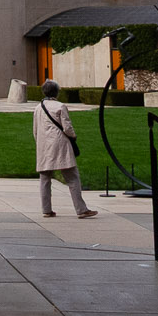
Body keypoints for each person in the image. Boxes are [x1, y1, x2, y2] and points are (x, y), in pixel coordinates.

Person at [33, 80, 99, 219]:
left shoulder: (39, 107)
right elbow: (67, 128)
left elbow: (35, 130)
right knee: (72, 177)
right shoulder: (60, 106)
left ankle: (46, 210)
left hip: (44, 145)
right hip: (60, 144)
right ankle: (81, 209)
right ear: (56, 92)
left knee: (45, 178)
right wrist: (74, 137)